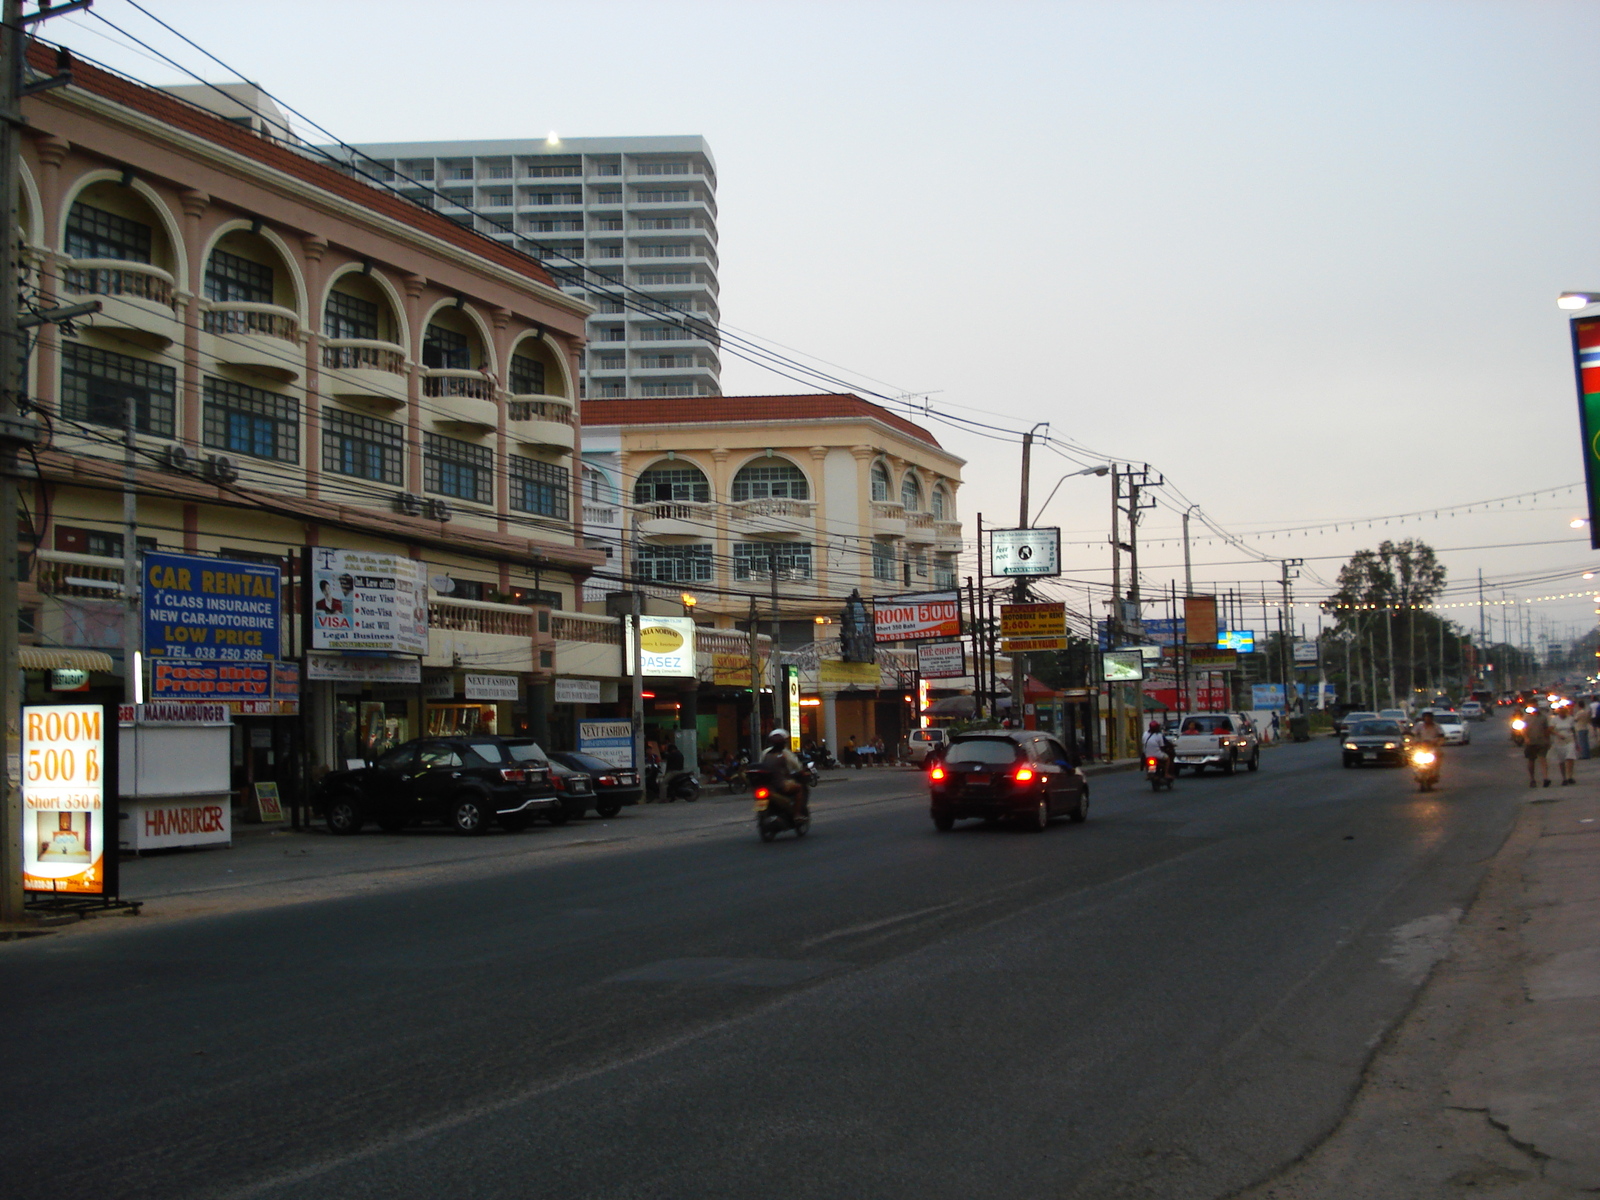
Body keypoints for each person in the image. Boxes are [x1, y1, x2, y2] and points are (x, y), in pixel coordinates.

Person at [760, 727, 808, 816]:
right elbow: (797, 767)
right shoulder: (785, 754)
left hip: (767, 784)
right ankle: (797, 814)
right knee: (799, 788)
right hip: (780, 783)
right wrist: (802, 772)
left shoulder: (765, 753)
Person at [1522, 704, 1553, 788]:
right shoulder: (1526, 718)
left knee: (1543, 759)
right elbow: (1523, 730)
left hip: (1541, 742)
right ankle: (1532, 779)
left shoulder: (1543, 718)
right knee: (1531, 761)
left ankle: (1545, 778)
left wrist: (1548, 740)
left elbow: (1546, 730)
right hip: (1531, 742)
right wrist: (1526, 738)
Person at [1550, 703, 1578, 785]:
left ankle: (1570, 776)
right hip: (1559, 741)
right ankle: (1564, 778)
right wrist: (1558, 734)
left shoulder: (1570, 719)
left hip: (1569, 739)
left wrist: (1577, 743)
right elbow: (1550, 730)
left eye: (1564, 712)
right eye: (1561, 712)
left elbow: (1573, 730)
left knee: (1570, 757)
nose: (1562, 714)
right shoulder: (1554, 720)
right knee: (1561, 760)